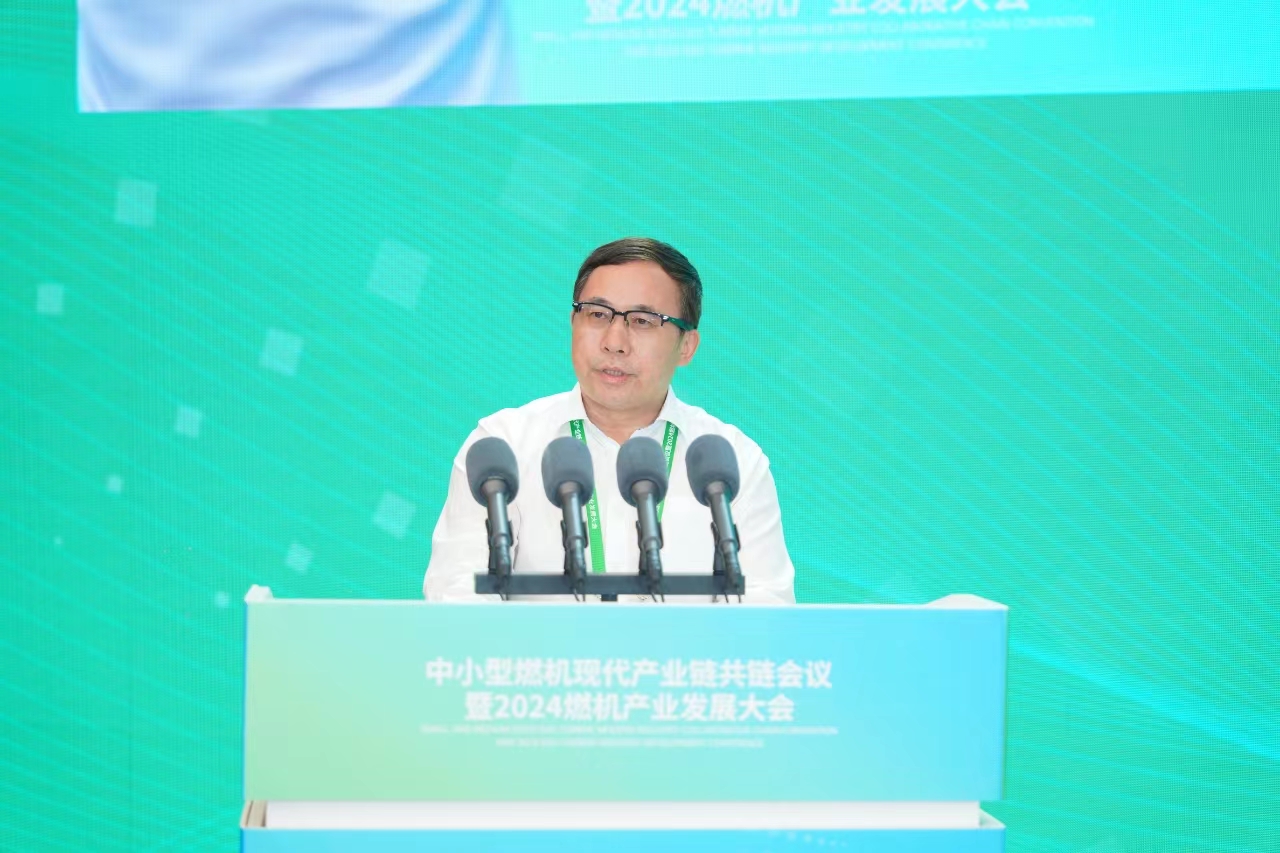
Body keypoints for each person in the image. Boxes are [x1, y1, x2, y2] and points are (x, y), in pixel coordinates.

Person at [424, 237, 795, 603]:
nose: (614, 341)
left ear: (686, 346)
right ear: (573, 322)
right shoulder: (502, 448)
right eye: (598, 314)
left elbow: (765, 612)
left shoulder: (732, 463)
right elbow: (458, 598)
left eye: (643, 320)